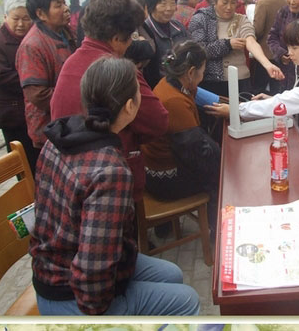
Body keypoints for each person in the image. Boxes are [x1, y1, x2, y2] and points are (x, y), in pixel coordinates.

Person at [30, 56, 199, 316]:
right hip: (69, 292)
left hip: (53, 265)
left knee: (172, 273)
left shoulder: (59, 135)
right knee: (187, 300)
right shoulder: (111, 171)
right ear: (131, 106)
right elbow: (92, 274)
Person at [51, 0, 167, 202]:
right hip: (112, 181)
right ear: (116, 38)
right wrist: (131, 135)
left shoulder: (70, 63)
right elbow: (157, 122)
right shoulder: (120, 71)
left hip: (70, 176)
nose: (131, 43)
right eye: (130, 37)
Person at [206, 17, 299, 176]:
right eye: (288, 47)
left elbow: (285, 102)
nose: (289, 53)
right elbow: (293, 98)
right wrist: (271, 100)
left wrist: (236, 110)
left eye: (295, 47)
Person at [142, 41, 220, 229]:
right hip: (164, 180)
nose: (204, 75)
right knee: (221, 177)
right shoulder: (174, 101)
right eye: (203, 70)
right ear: (191, 72)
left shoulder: (169, 83)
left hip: (157, 168)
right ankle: (216, 231)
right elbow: (197, 152)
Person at [189, 0, 283, 97]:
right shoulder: (201, 19)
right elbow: (199, 50)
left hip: (240, 81)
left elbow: (251, 42)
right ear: (215, 0)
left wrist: (267, 64)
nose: (229, 7)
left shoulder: (241, 20)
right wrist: (228, 44)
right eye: (225, 2)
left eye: (233, 2)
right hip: (211, 82)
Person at [15, 0, 76, 151]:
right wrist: (76, 96)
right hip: (49, 131)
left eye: (64, 3)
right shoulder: (32, 46)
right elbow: (38, 95)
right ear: (41, 14)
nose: (66, 9)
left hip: (70, 124)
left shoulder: (66, 33)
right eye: (58, 5)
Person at [0, 0, 39, 173]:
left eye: (26, 18)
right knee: (23, 165)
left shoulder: (32, 40)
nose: (21, 24)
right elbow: (2, 78)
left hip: (32, 115)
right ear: (5, 18)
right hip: (13, 116)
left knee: (37, 164)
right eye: (16, 18)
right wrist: (35, 81)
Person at [138, 0, 188, 90]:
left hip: (184, 86)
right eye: (163, 4)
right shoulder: (144, 31)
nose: (169, 8)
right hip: (158, 89)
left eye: (172, 3)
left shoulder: (179, 27)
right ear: (151, 5)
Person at [252, 0, 288, 94]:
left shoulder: (263, 2)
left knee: (258, 90)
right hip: (282, 53)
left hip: (265, 53)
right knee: (278, 91)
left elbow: (258, 30)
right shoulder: (286, 2)